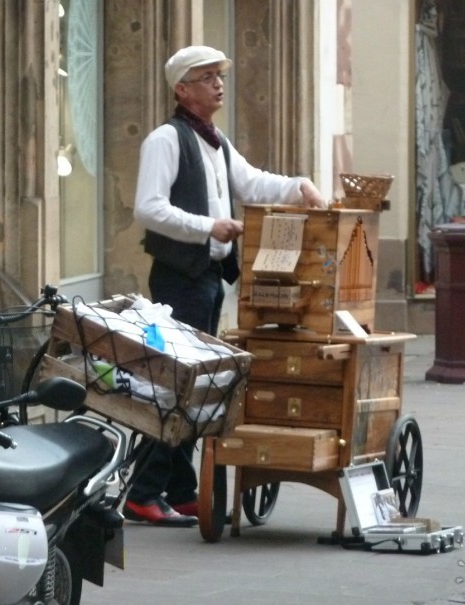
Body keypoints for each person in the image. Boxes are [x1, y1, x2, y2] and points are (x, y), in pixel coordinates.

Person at [125, 45, 326, 526]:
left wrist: (300, 186)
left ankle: (181, 488)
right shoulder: (165, 140)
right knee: (179, 387)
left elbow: (253, 184)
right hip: (180, 277)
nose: (219, 84)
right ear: (182, 89)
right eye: (207, 77)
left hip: (209, 279)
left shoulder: (215, 142)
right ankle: (142, 491)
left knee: (196, 388)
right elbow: (147, 209)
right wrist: (207, 227)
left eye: (220, 76)